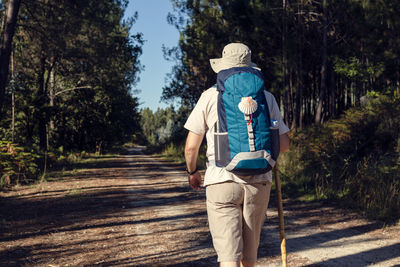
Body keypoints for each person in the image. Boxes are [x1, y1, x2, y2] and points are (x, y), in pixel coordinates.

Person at [184, 43, 290, 267]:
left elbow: (191, 147)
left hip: (221, 179)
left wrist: (193, 172)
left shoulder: (210, 96)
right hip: (260, 180)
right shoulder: (267, 97)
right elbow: (284, 144)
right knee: (249, 256)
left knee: (229, 257)